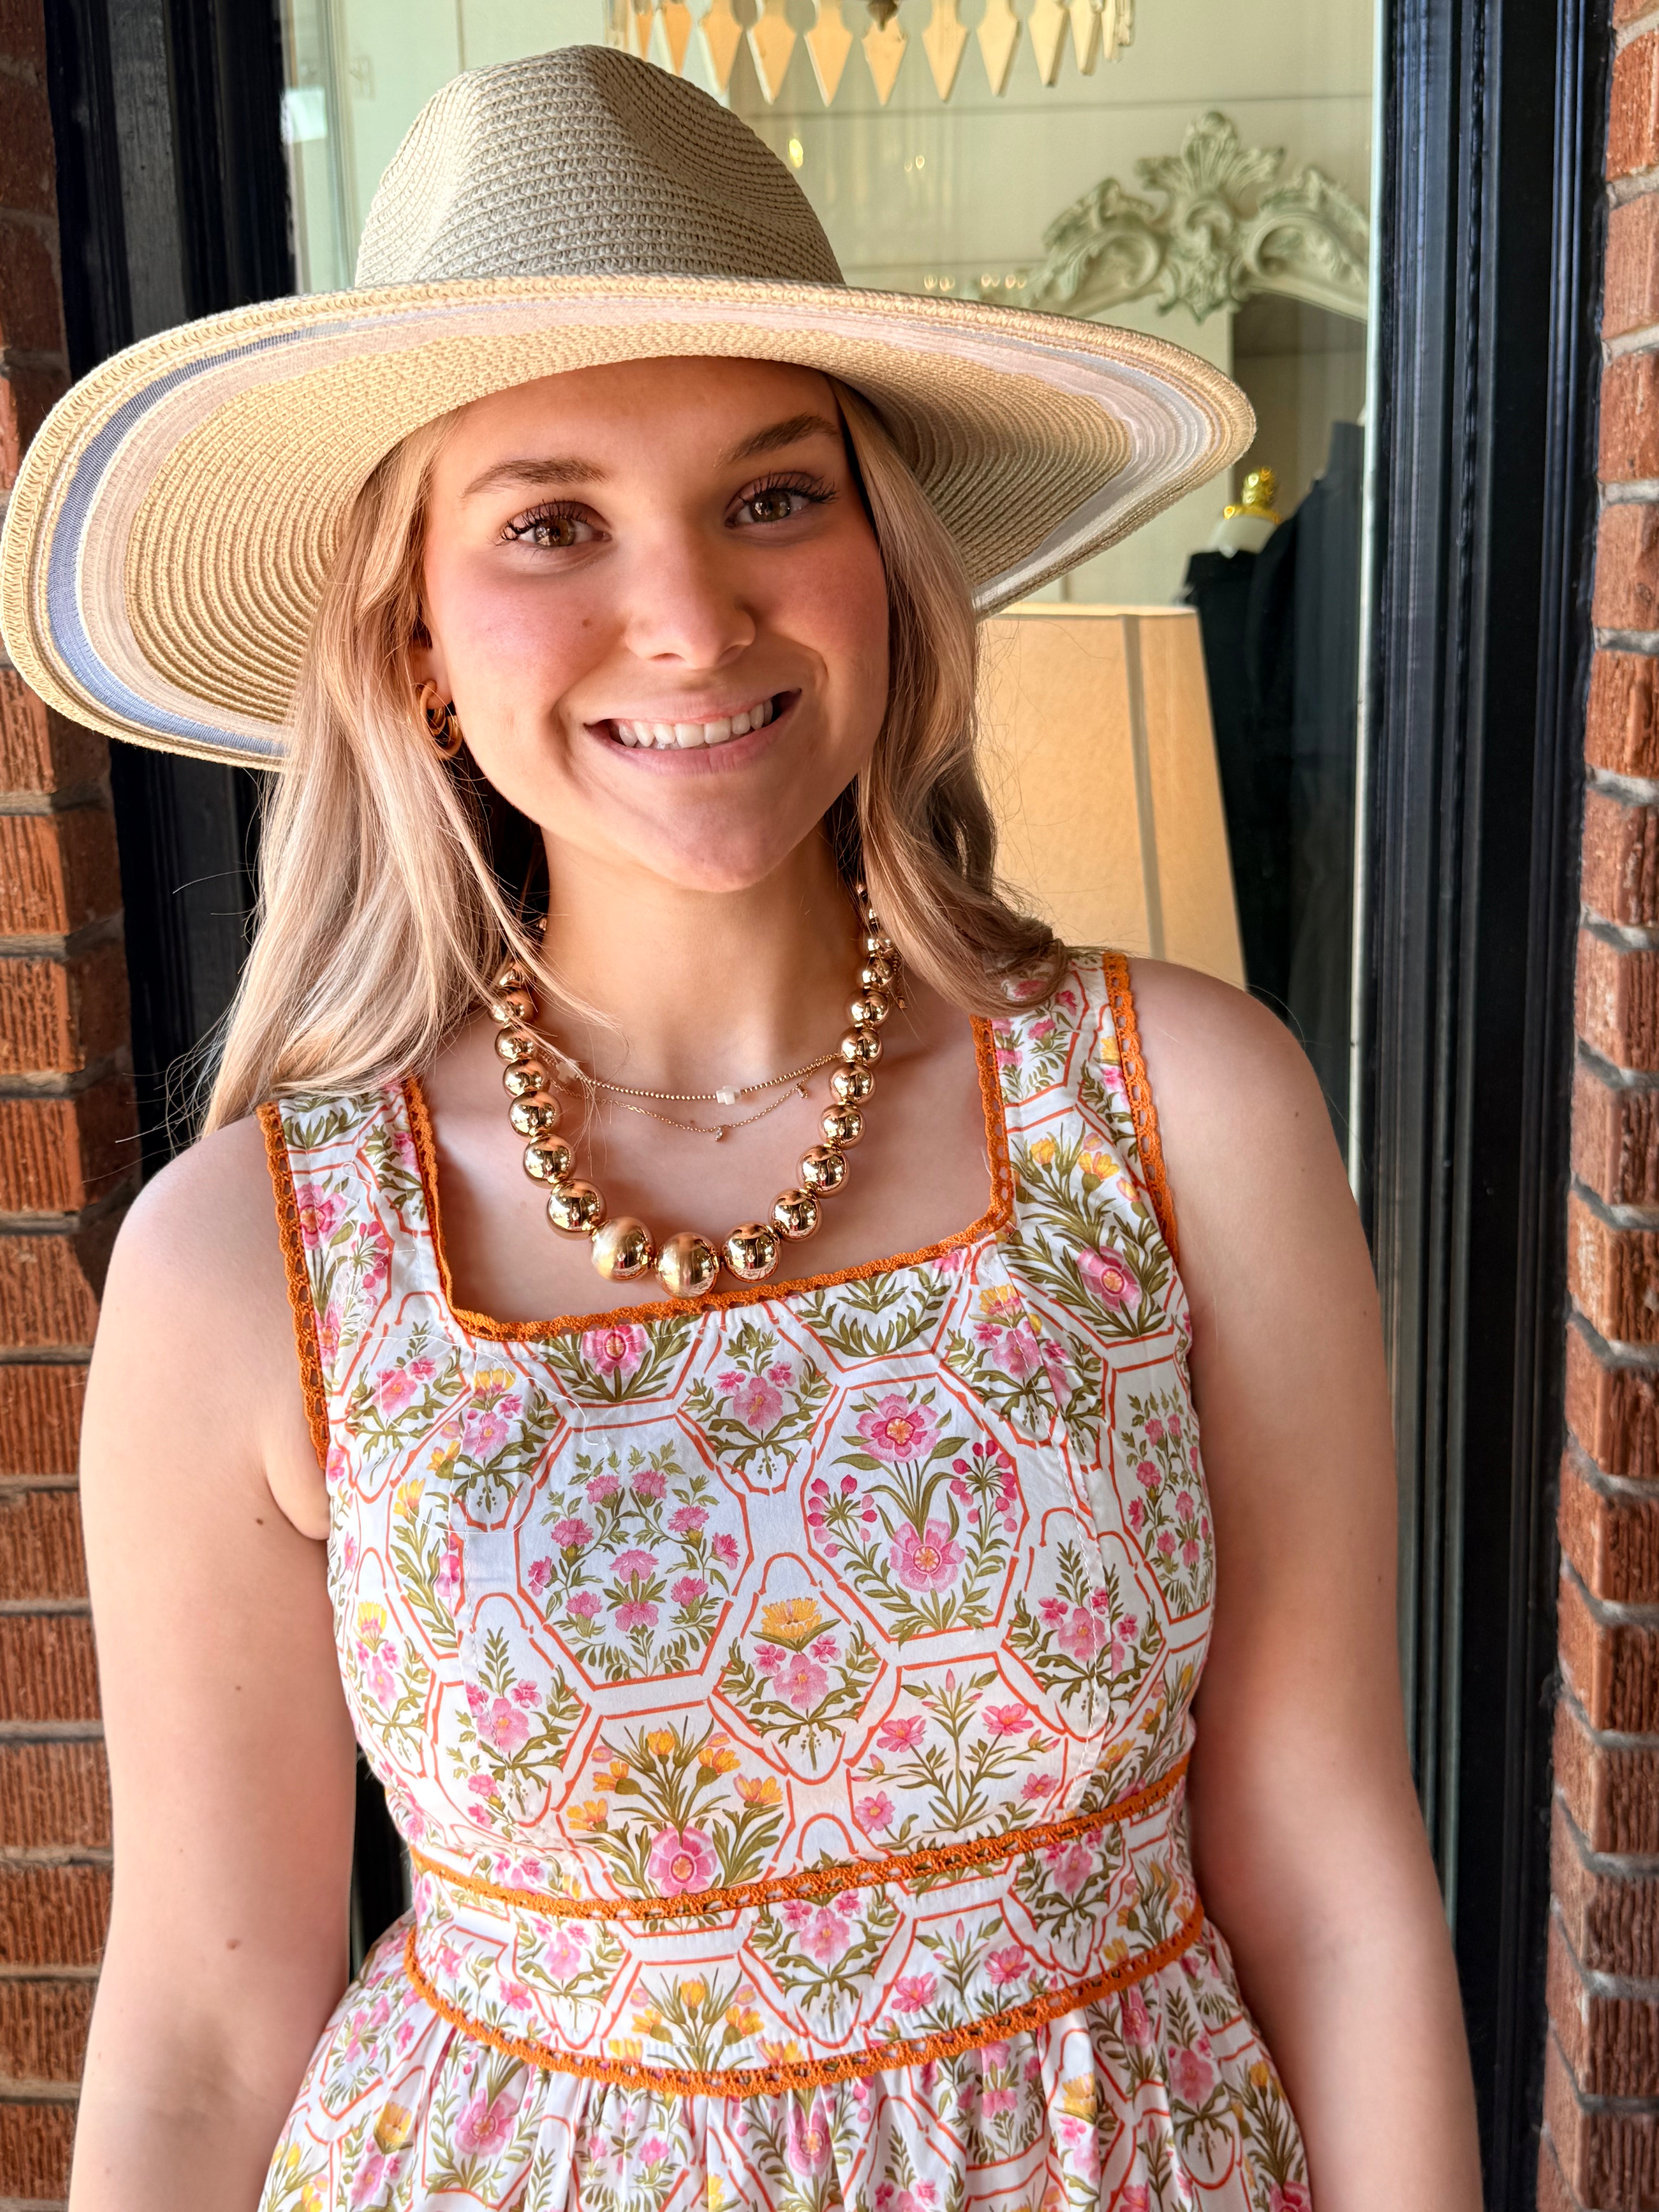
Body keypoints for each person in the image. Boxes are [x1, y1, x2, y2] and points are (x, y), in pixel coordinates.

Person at [0, 46, 1480, 2212]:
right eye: (551, 525)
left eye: (776, 496)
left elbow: (1335, 1879)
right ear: (417, 639)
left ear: (886, 556)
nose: (692, 622)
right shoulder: (251, 1261)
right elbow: (206, 2036)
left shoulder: (1185, 1115)